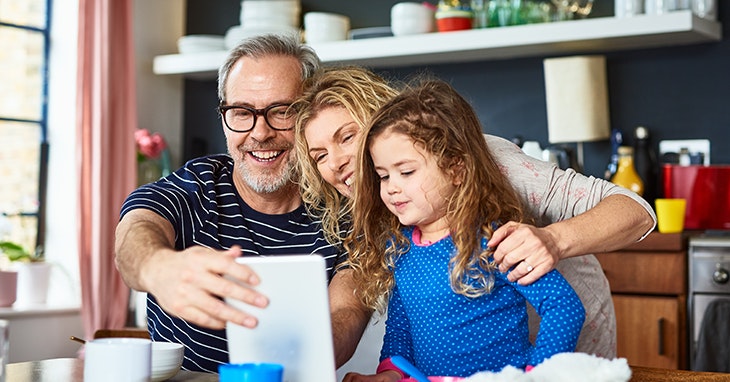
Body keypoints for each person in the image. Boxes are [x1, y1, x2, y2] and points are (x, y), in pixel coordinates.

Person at [292, 66, 656, 364]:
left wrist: (553, 240)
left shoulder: (484, 160)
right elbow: (403, 318)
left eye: (347, 137)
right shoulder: (385, 211)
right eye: (319, 155)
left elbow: (637, 212)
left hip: (563, 355)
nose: (337, 162)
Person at [114, 34, 347, 373]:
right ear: (224, 117)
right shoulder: (197, 186)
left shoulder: (343, 211)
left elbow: (346, 313)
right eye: (241, 112)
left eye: (282, 111)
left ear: (311, 116)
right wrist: (156, 267)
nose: (260, 132)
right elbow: (137, 229)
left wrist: (300, 352)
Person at [343, 78, 586, 379]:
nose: (392, 188)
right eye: (383, 176)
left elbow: (563, 307)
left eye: (406, 172)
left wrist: (536, 374)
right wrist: (389, 375)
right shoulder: (401, 248)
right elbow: (400, 330)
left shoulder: (493, 241)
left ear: (456, 169)